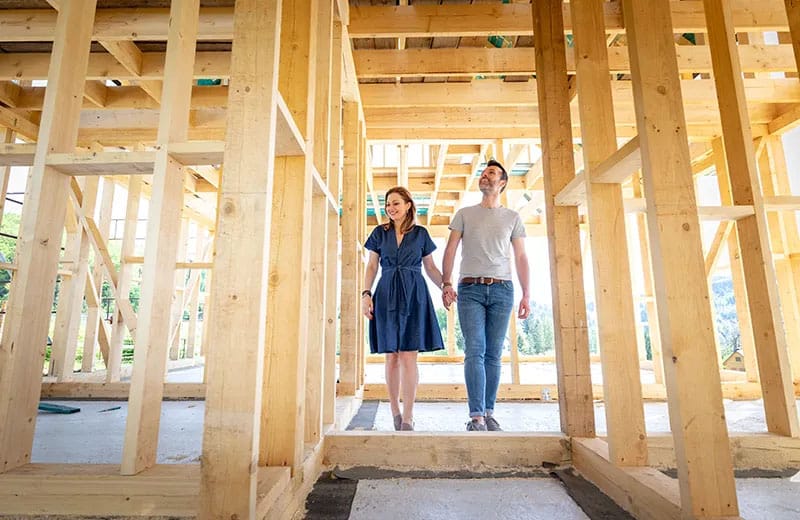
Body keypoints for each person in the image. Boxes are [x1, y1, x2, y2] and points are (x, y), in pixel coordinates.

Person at [441, 159, 530, 431]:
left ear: (502, 182)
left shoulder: (512, 217)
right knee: (475, 350)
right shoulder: (465, 214)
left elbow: (521, 256)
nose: (485, 176)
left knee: (493, 354)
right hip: (470, 289)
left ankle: (489, 413)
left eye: (491, 173)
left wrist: (527, 294)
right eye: (483, 173)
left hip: (503, 289)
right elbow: (451, 249)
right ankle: (476, 416)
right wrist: (446, 283)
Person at [362, 186, 445, 431]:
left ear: (408, 205)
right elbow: (371, 267)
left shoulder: (421, 234)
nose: (391, 208)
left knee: (409, 355)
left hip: (414, 294)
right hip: (386, 293)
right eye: (388, 204)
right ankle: (394, 411)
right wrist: (366, 294)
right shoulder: (380, 233)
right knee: (391, 356)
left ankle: (408, 417)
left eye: (396, 203)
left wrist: (446, 287)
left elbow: (430, 268)